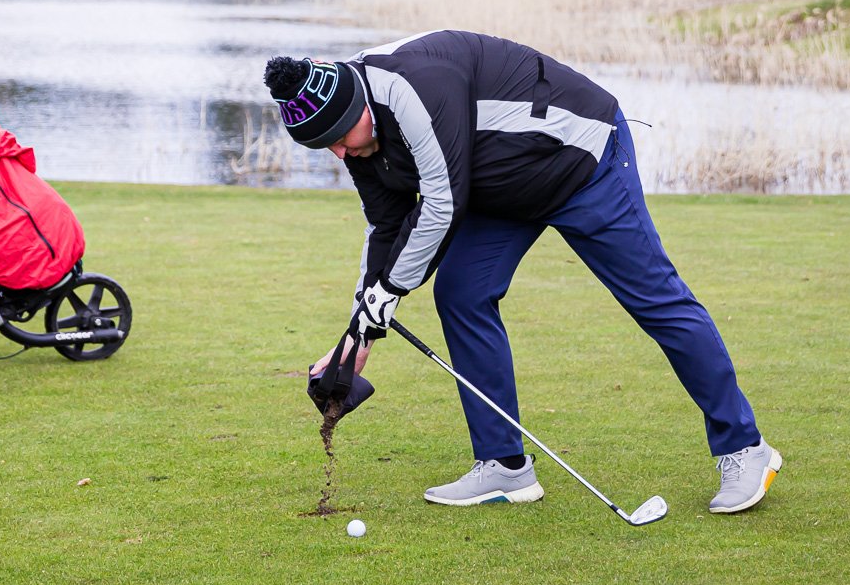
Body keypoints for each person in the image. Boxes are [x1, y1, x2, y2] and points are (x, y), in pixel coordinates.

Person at [263, 32, 780, 513]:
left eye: (338, 138)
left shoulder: (413, 88)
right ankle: (505, 466)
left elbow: (441, 206)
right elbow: (387, 225)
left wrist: (390, 293)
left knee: (656, 301)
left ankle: (745, 448)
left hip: (581, 159)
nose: (338, 151)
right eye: (323, 147)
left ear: (358, 106)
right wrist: (358, 335)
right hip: (502, 186)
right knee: (462, 293)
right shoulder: (355, 133)